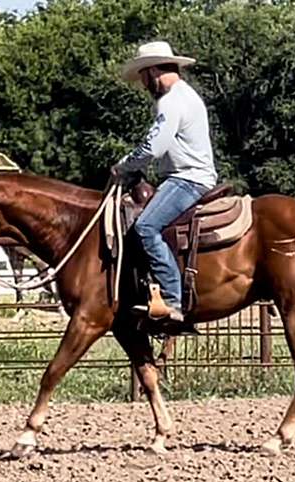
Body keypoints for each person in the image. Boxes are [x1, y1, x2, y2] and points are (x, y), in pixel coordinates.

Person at [111, 40, 218, 322]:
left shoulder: (171, 102)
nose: (144, 85)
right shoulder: (186, 96)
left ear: (153, 72)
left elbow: (152, 147)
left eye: (144, 78)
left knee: (145, 227)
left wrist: (123, 166)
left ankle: (172, 299)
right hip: (193, 175)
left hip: (188, 178)